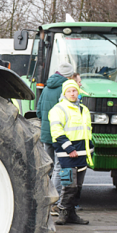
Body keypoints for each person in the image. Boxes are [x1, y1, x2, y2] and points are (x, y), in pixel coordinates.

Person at [49, 79, 93, 225]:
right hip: (67, 153)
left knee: (78, 187)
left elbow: (87, 132)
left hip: (81, 153)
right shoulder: (58, 109)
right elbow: (56, 131)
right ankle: (62, 211)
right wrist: (69, 148)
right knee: (69, 185)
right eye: (69, 91)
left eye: (74, 90)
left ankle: (71, 214)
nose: (72, 93)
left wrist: (89, 151)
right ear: (64, 93)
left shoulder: (83, 109)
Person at [37, 61, 75, 212]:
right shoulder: (66, 89)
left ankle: (45, 198)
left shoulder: (46, 88)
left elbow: (39, 111)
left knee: (49, 167)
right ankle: (55, 202)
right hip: (60, 135)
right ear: (69, 75)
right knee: (61, 167)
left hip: (46, 133)